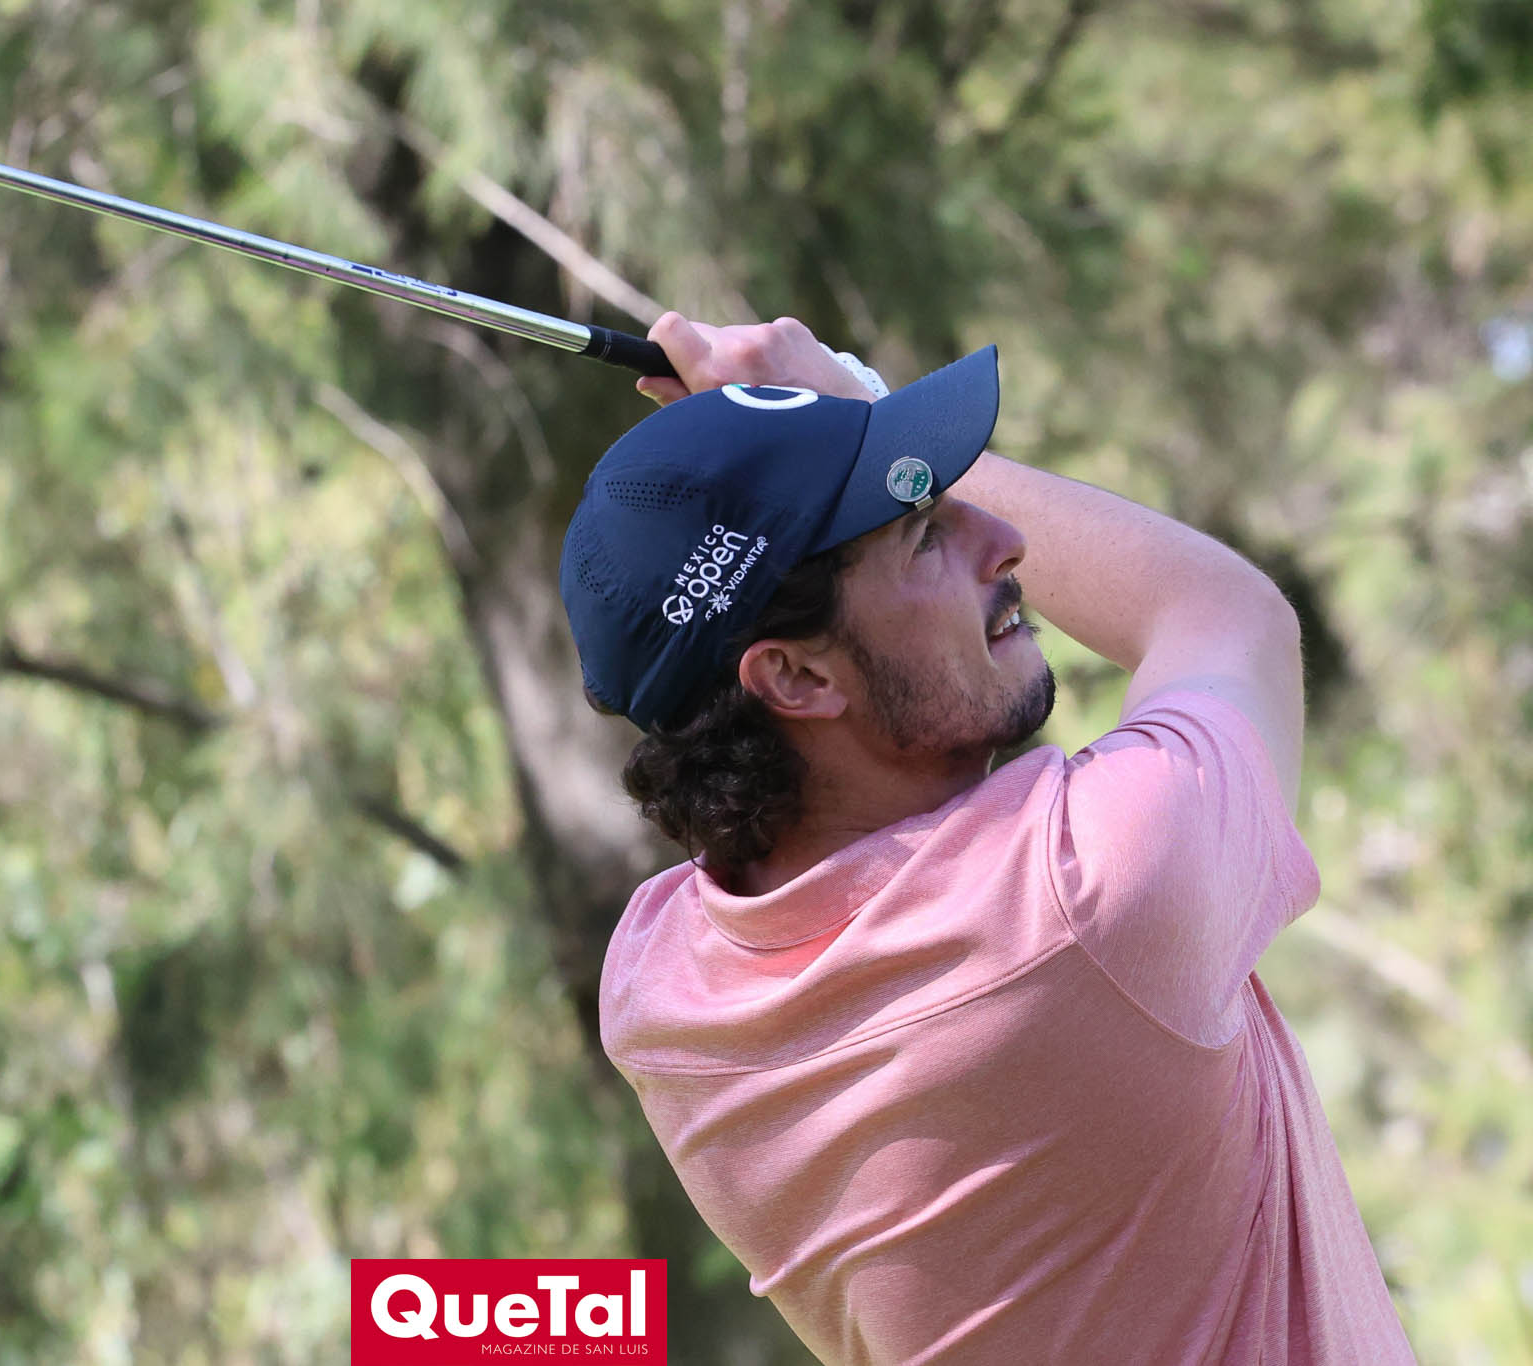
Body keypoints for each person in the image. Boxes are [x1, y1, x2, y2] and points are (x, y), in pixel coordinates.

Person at [557, 313, 1417, 1365]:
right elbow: (1226, 613)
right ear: (795, 676)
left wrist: (774, 450)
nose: (1000, 541)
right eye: (922, 532)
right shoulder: (1086, 896)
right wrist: (852, 401)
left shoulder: (662, 1002)